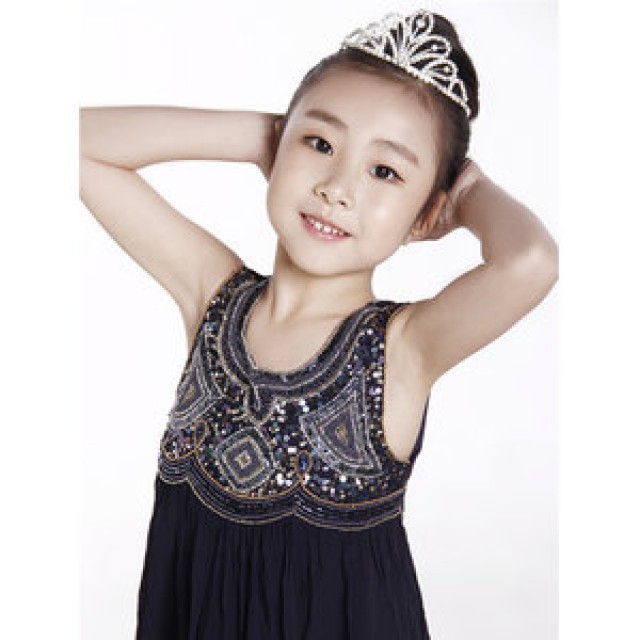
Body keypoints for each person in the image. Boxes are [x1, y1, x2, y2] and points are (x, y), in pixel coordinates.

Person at [80, 8, 558, 640]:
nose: (337, 187)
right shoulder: (213, 297)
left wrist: (468, 194)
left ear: (425, 215)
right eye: (321, 145)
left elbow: (530, 262)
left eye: (385, 172)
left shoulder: (403, 349)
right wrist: (265, 136)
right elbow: (73, 145)